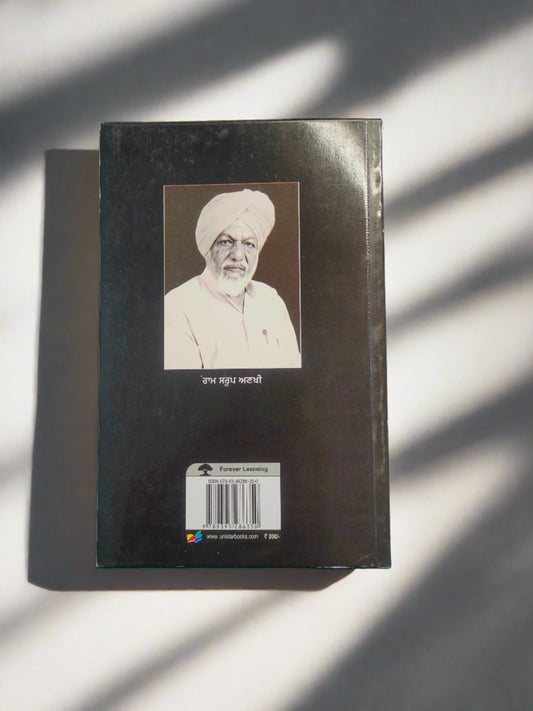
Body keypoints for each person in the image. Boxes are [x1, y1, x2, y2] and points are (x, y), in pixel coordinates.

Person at [164, 188, 301, 369]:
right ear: (208, 248)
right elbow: (183, 384)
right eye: (226, 242)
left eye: (249, 244)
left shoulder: (270, 299)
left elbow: (294, 371)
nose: (237, 255)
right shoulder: (177, 305)